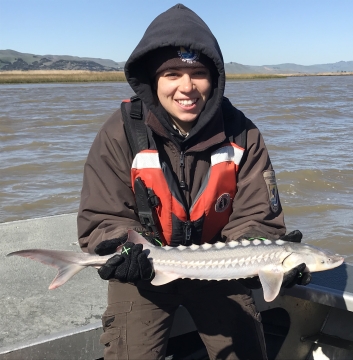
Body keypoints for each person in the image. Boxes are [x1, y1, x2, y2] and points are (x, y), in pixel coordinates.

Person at [77, 4, 310, 359]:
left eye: (198, 73)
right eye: (172, 74)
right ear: (153, 80)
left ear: (214, 79)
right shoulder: (120, 132)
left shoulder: (242, 133)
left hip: (220, 265)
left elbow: (256, 215)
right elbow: (102, 213)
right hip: (145, 267)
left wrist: (263, 251)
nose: (187, 87)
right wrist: (121, 248)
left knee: (246, 351)